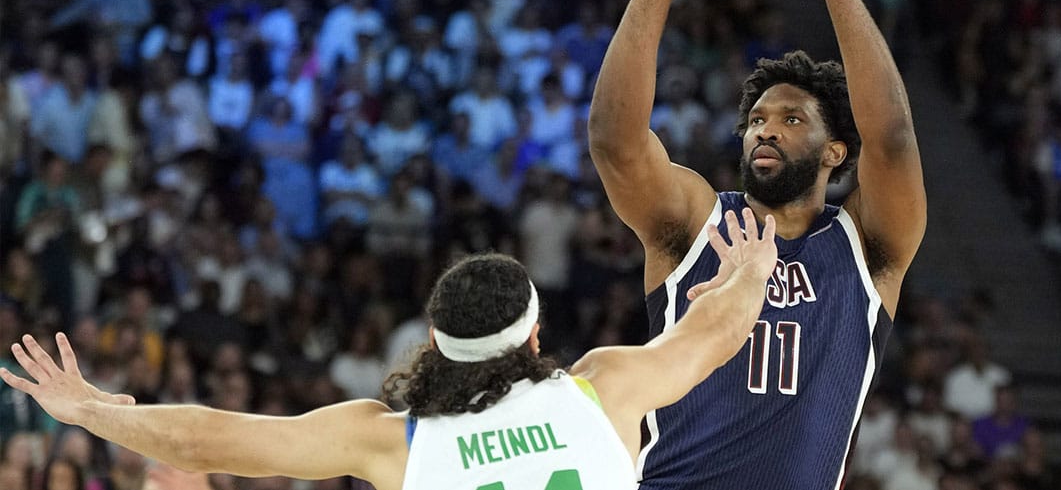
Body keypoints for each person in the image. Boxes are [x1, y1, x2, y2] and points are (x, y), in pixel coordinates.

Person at [2, 208, 779, 490]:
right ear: (537, 335)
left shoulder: (389, 437)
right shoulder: (605, 385)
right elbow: (711, 332)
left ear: (435, 346)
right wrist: (748, 273)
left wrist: (94, 412)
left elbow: (213, 435)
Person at [587, 0, 927, 489]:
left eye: (793, 120)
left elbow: (895, 139)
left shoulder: (868, 250)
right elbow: (614, 141)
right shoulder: (696, 223)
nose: (766, 128)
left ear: (836, 153)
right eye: (758, 120)